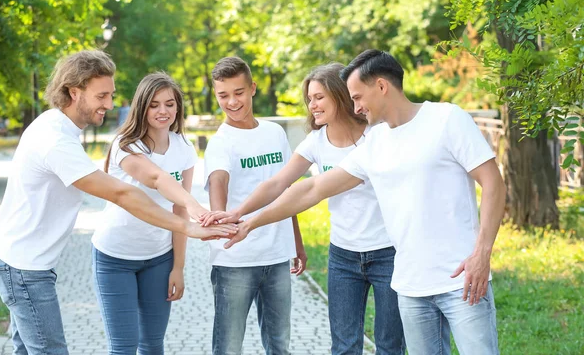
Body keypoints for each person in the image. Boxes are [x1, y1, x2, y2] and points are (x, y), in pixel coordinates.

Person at [220, 50, 506, 355]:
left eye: (357, 97)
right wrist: (249, 222)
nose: (355, 106)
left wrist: (482, 252)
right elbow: (311, 189)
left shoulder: (446, 118)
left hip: (461, 280)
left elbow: (493, 182)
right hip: (411, 287)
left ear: (381, 86)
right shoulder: (377, 143)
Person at [0, 50, 236, 355]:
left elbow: (161, 180)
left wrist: (194, 215)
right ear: (74, 92)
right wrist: (190, 226)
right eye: (101, 95)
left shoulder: (58, 128)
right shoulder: (56, 140)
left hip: (29, 264)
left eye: (111, 94)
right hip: (24, 268)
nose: (109, 103)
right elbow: (124, 193)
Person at [202, 63, 404, 354]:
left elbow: (310, 189)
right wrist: (238, 214)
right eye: (310, 98)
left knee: (389, 345)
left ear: (340, 94)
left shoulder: (377, 135)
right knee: (345, 346)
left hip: (388, 251)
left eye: (319, 97)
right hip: (343, 255)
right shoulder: (316, 141)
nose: (312, 105)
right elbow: (278, 184)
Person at [92, 72, 207, 354]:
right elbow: (156, 178)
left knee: (153, 344)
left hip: (159, 258)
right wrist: (198, 209)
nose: (162, 111)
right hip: (115, 258)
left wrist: (178, 267)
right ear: (141, 106)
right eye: (154, 104)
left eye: (169, 103)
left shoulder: (184, 148)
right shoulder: (126, 145)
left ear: (178, 107)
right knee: (124, 347)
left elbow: (179, 209)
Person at [204, 56, 307, 355]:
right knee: (228, 348)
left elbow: (286, 190)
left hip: (275, 257)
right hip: (235, 260)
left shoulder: (274, 133)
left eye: (238, 92)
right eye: (223, 95)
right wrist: (220, 222)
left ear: (253, 88)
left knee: (278, 346)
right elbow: (218, 181)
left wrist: (296, 243)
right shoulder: (221, 142)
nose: (232, 102)